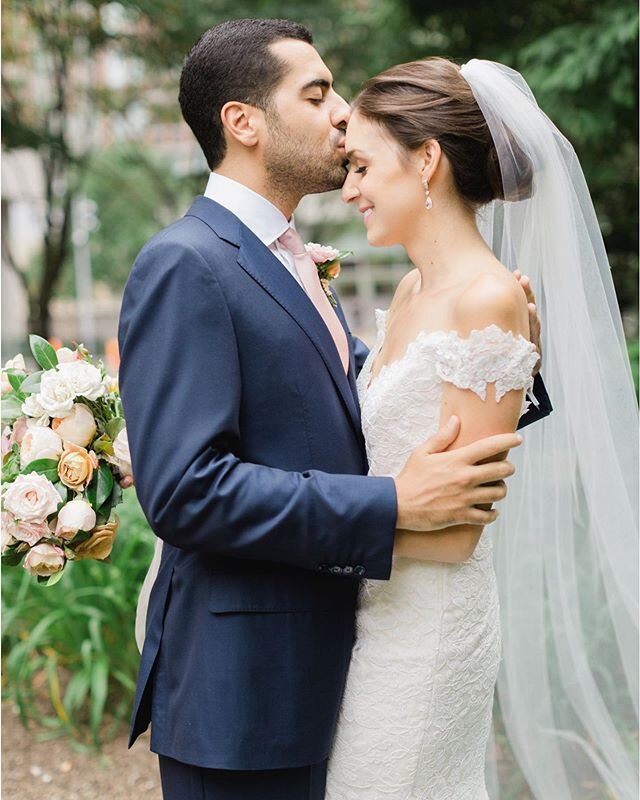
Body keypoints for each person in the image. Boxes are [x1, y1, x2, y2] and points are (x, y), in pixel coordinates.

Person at [118, 21, 551, 800]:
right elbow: (185, 490)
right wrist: (393, 505)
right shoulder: (187, 263)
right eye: (317, 94)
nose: (342, 111)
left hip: (345, 661)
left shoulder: (298, 262)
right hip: (245, 690)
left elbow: (369, 398)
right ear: (242, 123)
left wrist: (511, 360)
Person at [324, 57, 638, 799]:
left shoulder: (489, 299)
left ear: (426, 159)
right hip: (370, 620)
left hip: (427, 632)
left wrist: (312, 544)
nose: (350, 189)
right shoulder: (407, 292)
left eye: (363, 165)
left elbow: (457, 530)